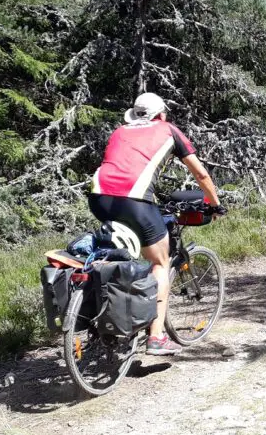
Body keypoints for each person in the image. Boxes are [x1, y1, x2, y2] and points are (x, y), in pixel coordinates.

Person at [88, 92, 225, 355]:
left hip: (98, 198)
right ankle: (156, 337)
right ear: (162, 114)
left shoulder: (119, 132)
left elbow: (127, 165)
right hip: (135, 201)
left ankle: (109, 318)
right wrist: (215, 204)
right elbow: (200, 173)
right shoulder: (168, 130)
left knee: (121, 255)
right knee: (160, 263)